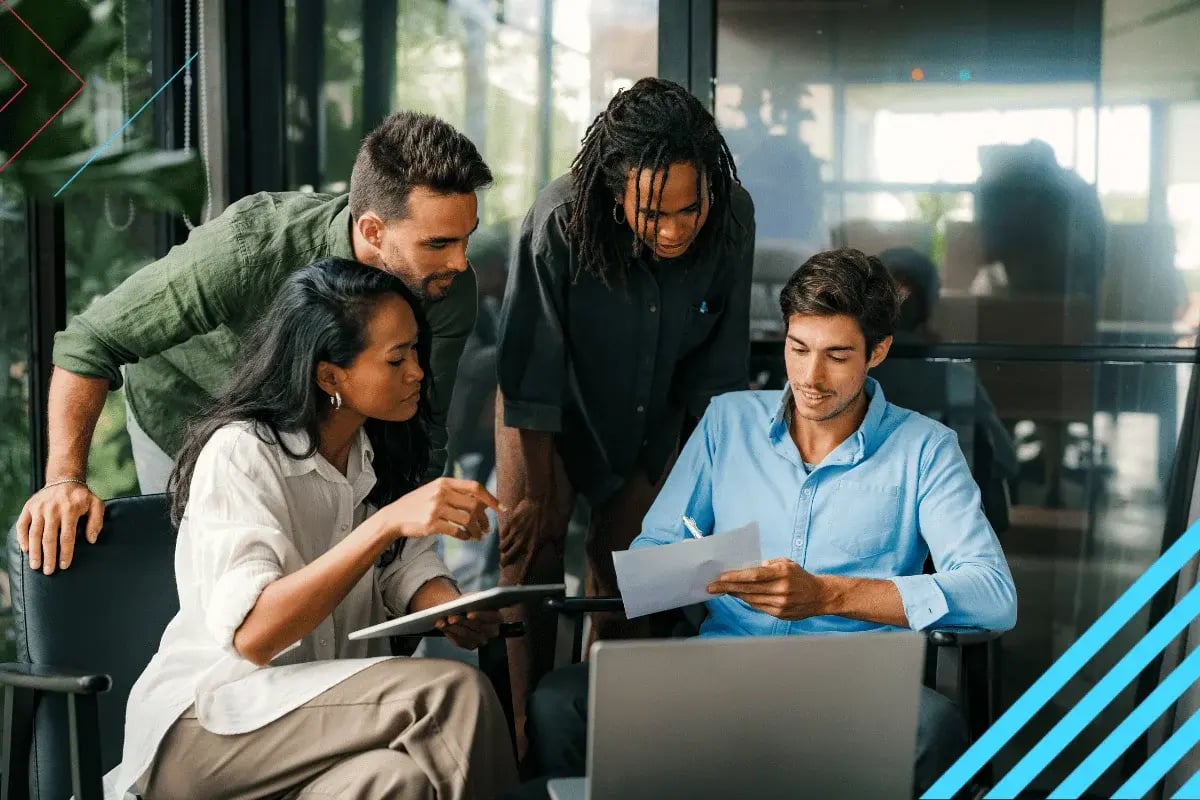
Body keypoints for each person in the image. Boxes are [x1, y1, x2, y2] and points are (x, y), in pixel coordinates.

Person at [523, 248, 1017, 798]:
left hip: (851, 686)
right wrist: (706, 568)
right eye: (798, 348)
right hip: (719, 668)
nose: (810, 376)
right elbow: (650, 555)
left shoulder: (924, 449)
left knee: (935, 727)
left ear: (878, 352)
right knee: (559, 702)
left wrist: (828, 595)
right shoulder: (727, 421)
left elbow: (993, 595)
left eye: (837, 356)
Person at [18, 111, 492, 577]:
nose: (459, 261)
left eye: (466, 239)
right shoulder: (253, 244)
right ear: (372, 230)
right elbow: (91, 341)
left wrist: (417, 570)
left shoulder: (445, 286)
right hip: (187, 410)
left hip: (319, 429)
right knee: (211, 585)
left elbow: (420, 427)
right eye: (438, 243)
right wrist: (64, 480)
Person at [115, 258, 517, 800]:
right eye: (396, 358)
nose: (418, 371)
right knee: (453, 692)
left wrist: (450, 608)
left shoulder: (383, 450)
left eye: (416, 351)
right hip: (212, 727)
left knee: (400, 782)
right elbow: (255, 636)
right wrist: (383, 527)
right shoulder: (242, 454)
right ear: (330, 376)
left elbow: (405, 566)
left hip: (321, 730)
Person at [494, 76, 757, 743]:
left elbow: (717, 372)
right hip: (545, 412)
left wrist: (701, 493)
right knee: (533, 554)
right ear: (615, 192)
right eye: (650, 214)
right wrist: (535, 496)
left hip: (655, 416)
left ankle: (603, 735)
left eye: (686, 211)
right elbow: (532, 369)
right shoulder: (559, 218)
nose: (671, 231)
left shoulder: (732, 219)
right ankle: (519, 736)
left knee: (639, 571)